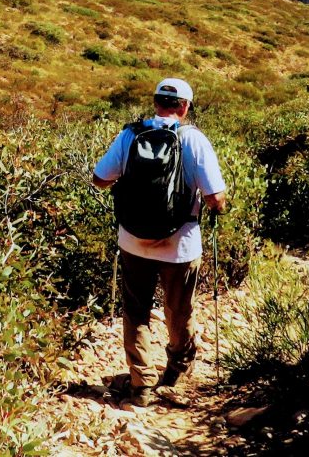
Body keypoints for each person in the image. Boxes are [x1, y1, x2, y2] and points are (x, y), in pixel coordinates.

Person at [91, 77, 227, 402]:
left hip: (133, 241)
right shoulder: (194, 140)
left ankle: (141, 385)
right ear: (185, 107)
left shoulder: (130, 135)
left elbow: (99, 179)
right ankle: (176, 377)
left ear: (155, 103)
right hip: (180, 245)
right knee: (178, 311)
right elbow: (215, 198)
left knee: (136, 312)